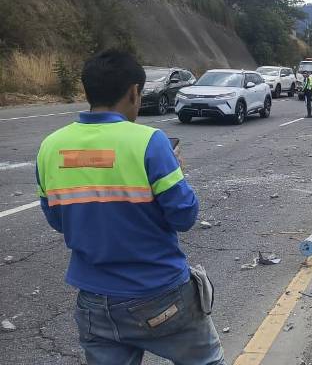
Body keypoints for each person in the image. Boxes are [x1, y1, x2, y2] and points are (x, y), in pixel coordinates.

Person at [36, 49, 225, 365]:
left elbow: (58, 220)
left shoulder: (50, 147)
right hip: (160, 295)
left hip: (94, 302)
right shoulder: (149, 141)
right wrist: (176, 172)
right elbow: (184, 216)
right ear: (134, 92)